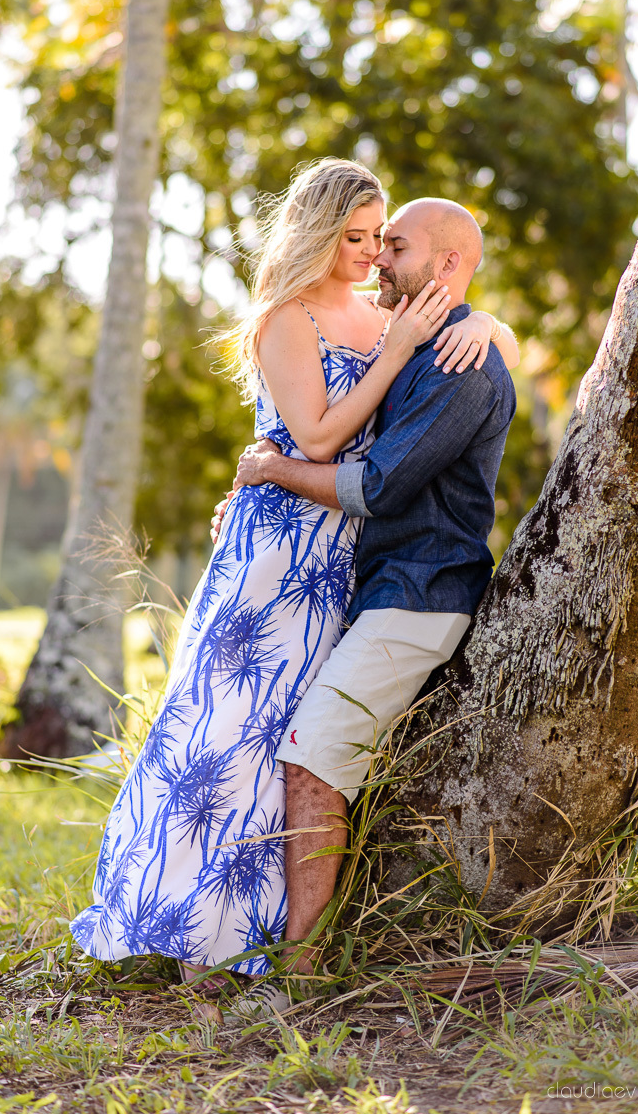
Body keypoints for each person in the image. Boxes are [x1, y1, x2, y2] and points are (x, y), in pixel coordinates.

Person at [69, 159, 513, 987]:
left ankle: (248, 934)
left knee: (285, 739)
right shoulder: (289, 317)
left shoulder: (388, 319)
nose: (371, 255)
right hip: (279, 549)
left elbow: (472, 351)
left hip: (342, 555)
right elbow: (312, 441)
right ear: (316, 233)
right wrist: (397, 352)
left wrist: (487, 323)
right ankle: (184, 927)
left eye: (381, 240)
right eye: (355, 239)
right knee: (222, 731)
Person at [227, 196, 517, 992]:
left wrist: (274, 472)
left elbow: (378, 485)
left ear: (448, 265)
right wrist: (487, 319)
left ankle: (303, 974)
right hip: (376, 591)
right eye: (375, 242)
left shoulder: (463, 364)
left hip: (418, 596)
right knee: (299, 755)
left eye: (395, 245)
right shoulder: (423, 344)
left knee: (311, 761)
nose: (379, 258)